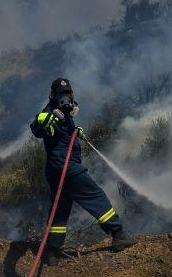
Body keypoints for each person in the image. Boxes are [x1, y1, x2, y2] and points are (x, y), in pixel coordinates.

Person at [30, 78, 136, 266]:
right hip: (66, 167)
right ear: (52, 96)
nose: (65, 98)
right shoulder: (49, 114)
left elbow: (60, 134)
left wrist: (73, 132)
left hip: (56, 169)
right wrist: (41, 121)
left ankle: (52, 252)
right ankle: (118, 234)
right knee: (95, 196)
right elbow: (38, 128)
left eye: (67, 94)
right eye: (60, 95)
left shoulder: (65, 114)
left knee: (60, 211)